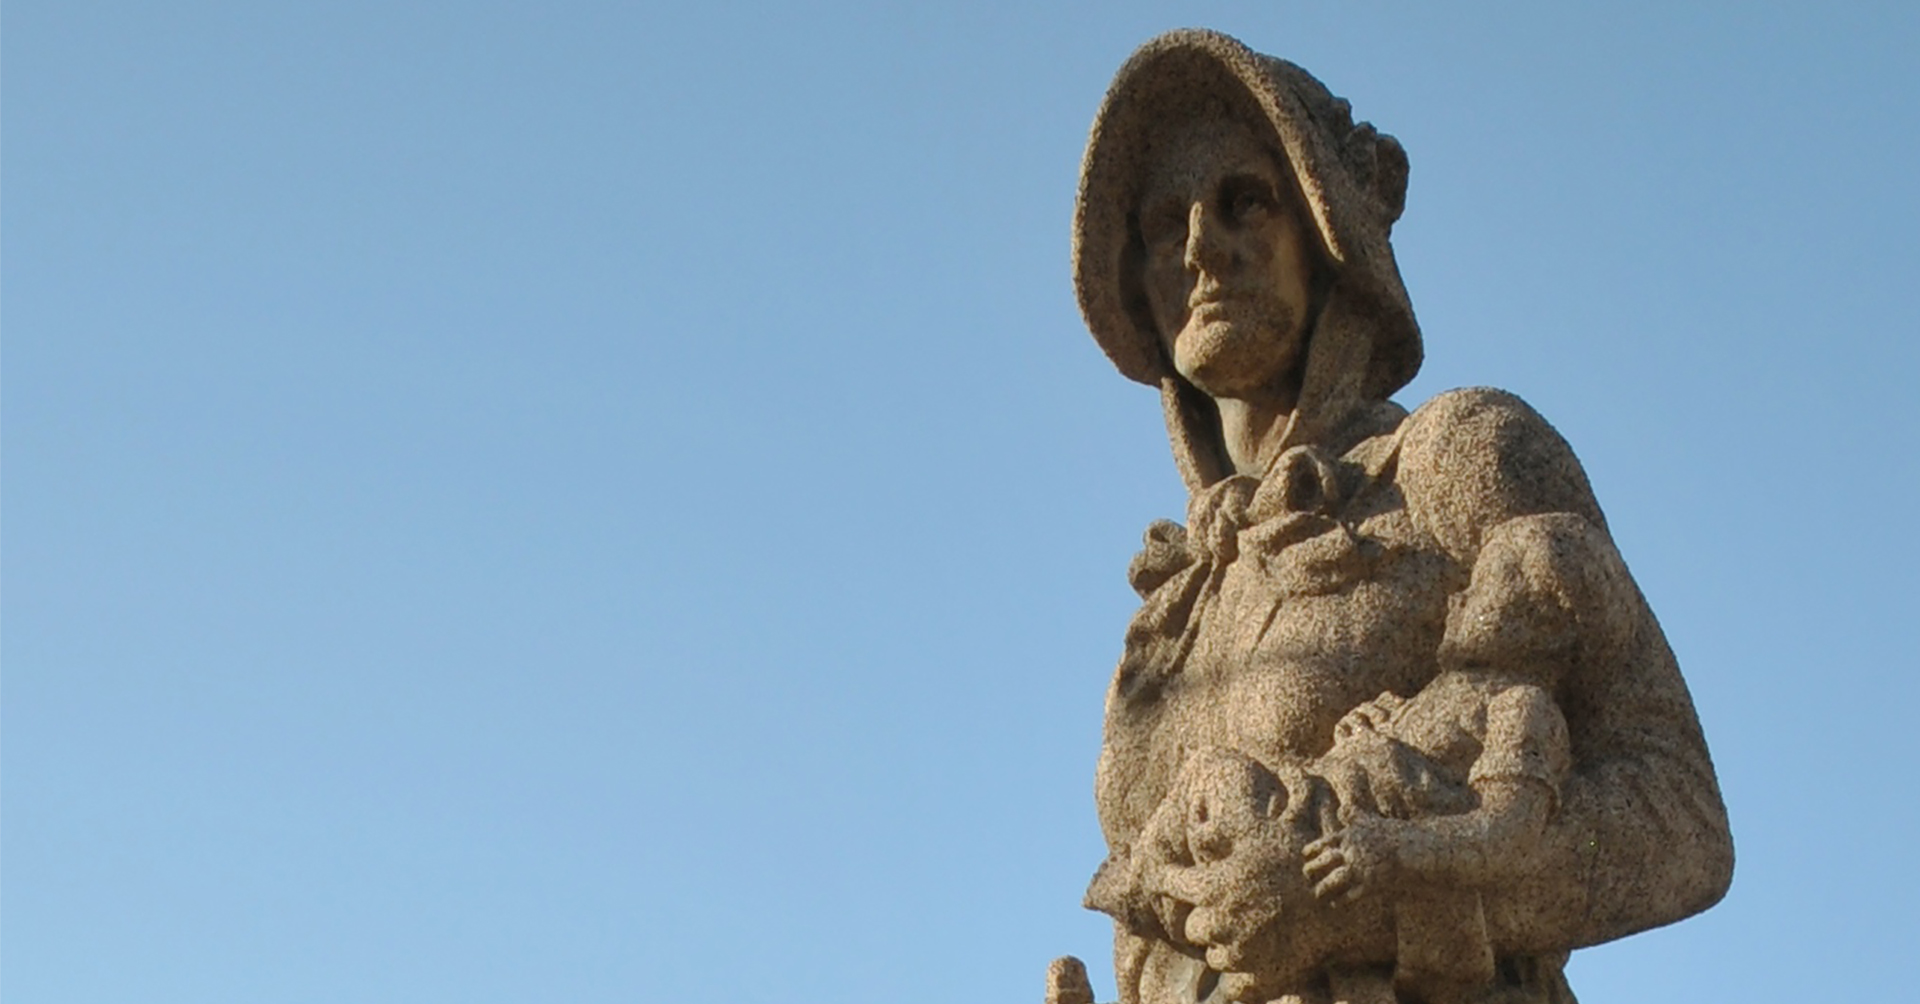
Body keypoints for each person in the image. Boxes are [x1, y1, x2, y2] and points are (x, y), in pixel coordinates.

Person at [1051, 29, 1733, 1004]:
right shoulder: (1166, 619)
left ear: (1328, 227)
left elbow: (1678, 819)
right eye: (1164, 225)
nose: (1201, 244)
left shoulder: (1458, 454)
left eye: (1244, 198)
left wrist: (1372, 899)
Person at [1082, 513, 1633, 1004]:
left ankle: (1153, 888)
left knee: (1223, 788)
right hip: (1324, 807)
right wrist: (1369, 732)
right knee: (1216, 787)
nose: (1463, 598)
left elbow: (1505, 834)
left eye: (1494, 586)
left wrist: (1392, 849)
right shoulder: (1438, 692)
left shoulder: (1521, 708)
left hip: (1350, 839)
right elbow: (1394, 752)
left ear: (1549, 624)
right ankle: (1154, 887)